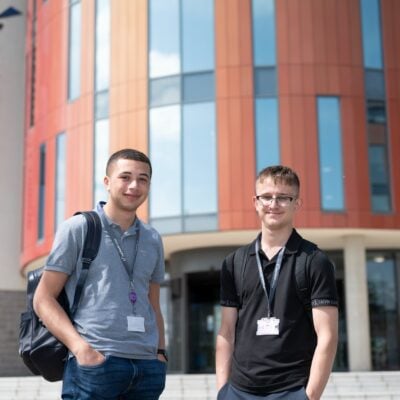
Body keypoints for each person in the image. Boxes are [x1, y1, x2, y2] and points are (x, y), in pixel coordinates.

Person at [34, 148, 167, 400]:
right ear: (107, 182)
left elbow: (153, 304)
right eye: (125, 177)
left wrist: (160, 353)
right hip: (96, 362)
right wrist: (80, 349)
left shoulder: (152, 238)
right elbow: (43, 299)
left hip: (147, 366)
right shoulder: (78, 228)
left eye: (143, 179)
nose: (134, 185)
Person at [216, 165, 338, 400]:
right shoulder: (234, 263)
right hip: (239, 391)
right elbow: (227, 330)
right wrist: (223, 391)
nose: (273, 204)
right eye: (267, 197)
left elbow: (328, 335)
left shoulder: (315, 261)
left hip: (291, 390)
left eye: (283, 197)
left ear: (297, 204)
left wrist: (309, 396)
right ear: (255, 202)